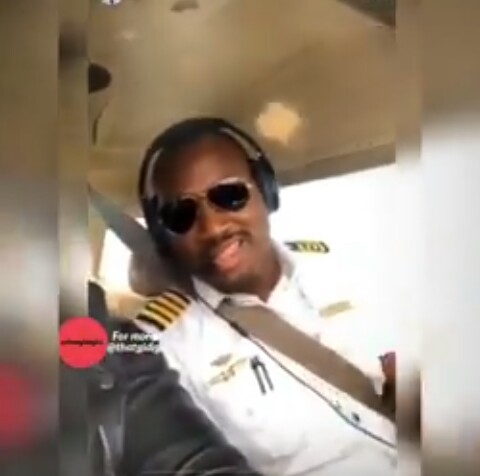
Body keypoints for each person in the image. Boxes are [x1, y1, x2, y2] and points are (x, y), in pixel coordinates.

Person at [133, 117, 397, 476]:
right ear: (164, 238)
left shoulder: (345, 265)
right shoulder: (157, 345)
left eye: (229, 195)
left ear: (265, 190)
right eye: (181, 214)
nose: (213, 228)